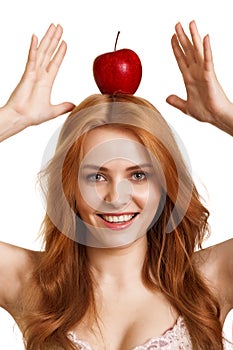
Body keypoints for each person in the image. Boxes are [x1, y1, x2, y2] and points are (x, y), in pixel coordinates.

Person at [0, 20, 232, 350]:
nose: (116, 197)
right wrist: (13, 117)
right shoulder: (27, 282)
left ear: (165, 184)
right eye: (97, 176)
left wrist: (225, 116)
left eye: (138, 175)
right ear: (69, 189)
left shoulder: (209, 280)